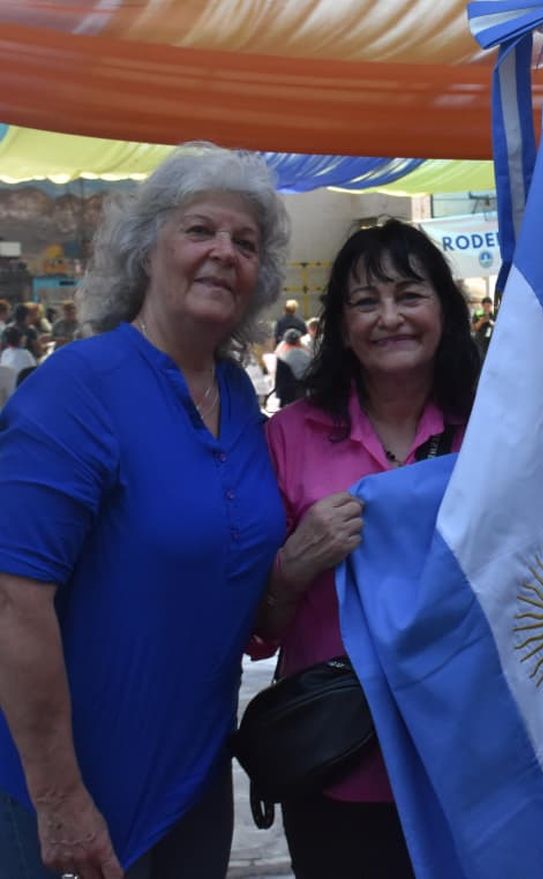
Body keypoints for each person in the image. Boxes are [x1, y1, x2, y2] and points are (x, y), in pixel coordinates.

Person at [0, 142, 290, 879]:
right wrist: (60, 797)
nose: (225, 252)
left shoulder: (241, 406)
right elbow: (13, 597)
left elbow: (230, 580)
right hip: (65, 796)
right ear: (146, 248)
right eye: (200, 230)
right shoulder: (78, 388)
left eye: (246, 242)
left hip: (193, 782)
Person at [250, 219, 481, 878]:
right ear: (342, 324)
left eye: (409, 295)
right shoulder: (289, 437)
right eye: (365, 302)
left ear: (445, 308)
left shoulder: (496, 427)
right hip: (337, 767)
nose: (390, 318)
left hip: (472, 758)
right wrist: (295, 564)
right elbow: (256, 627)